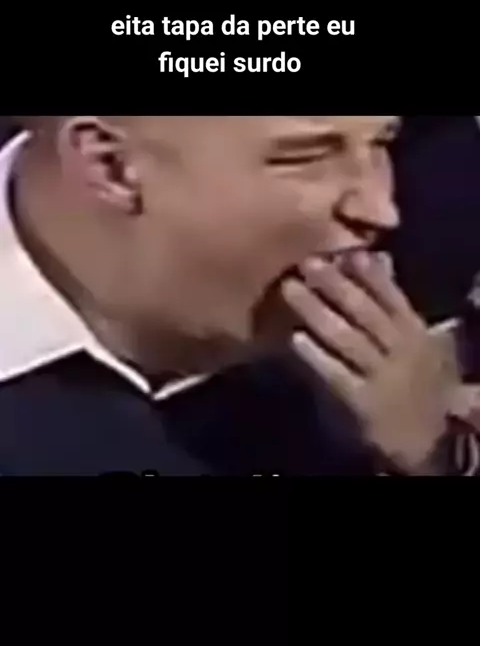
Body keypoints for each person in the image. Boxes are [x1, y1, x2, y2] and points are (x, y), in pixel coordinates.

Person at [0, 116, 463, 475]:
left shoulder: (378, 357)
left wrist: (435, 457)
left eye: (381, 142)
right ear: (112, 167)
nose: (381, 210)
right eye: (305, 157)